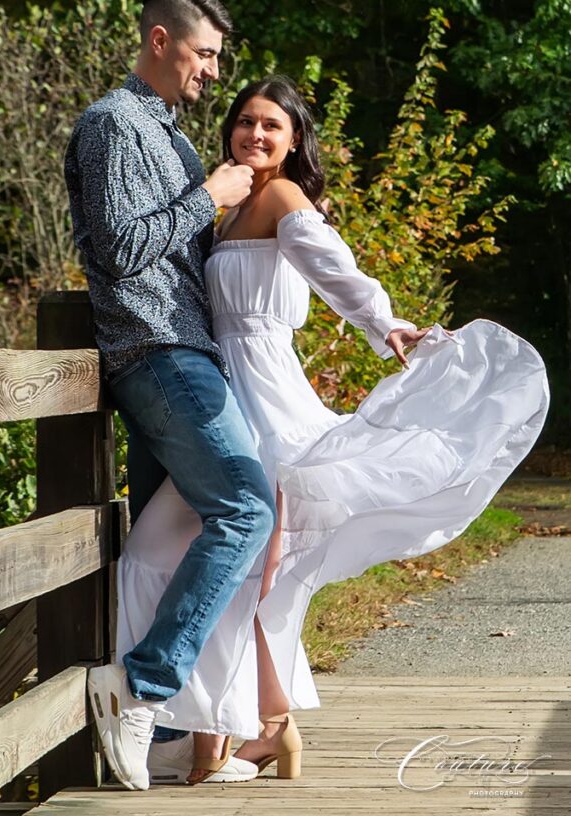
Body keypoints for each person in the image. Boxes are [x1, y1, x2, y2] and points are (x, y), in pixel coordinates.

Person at [116, 75, 550, 784]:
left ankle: (225, 742)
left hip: (265, 404)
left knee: (241, 568)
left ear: (293, 142)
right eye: (245, 122)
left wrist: (386, 324)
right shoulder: (229, 206)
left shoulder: (283, 198)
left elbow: (333, 268)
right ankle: (238, 729)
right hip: (222, 400)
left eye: (271, 127)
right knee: (163, 556)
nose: (255, 135)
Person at [64, 0, 280, 791]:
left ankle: (169, 719)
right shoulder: (115, 124)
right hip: (158, 354)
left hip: (187, 355)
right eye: (206, 54)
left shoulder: (173, 138)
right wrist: (212, 195)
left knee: (164, 545)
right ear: (161, 41)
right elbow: (118, 251)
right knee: (247, 506)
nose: (215, 73)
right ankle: (140, 689)